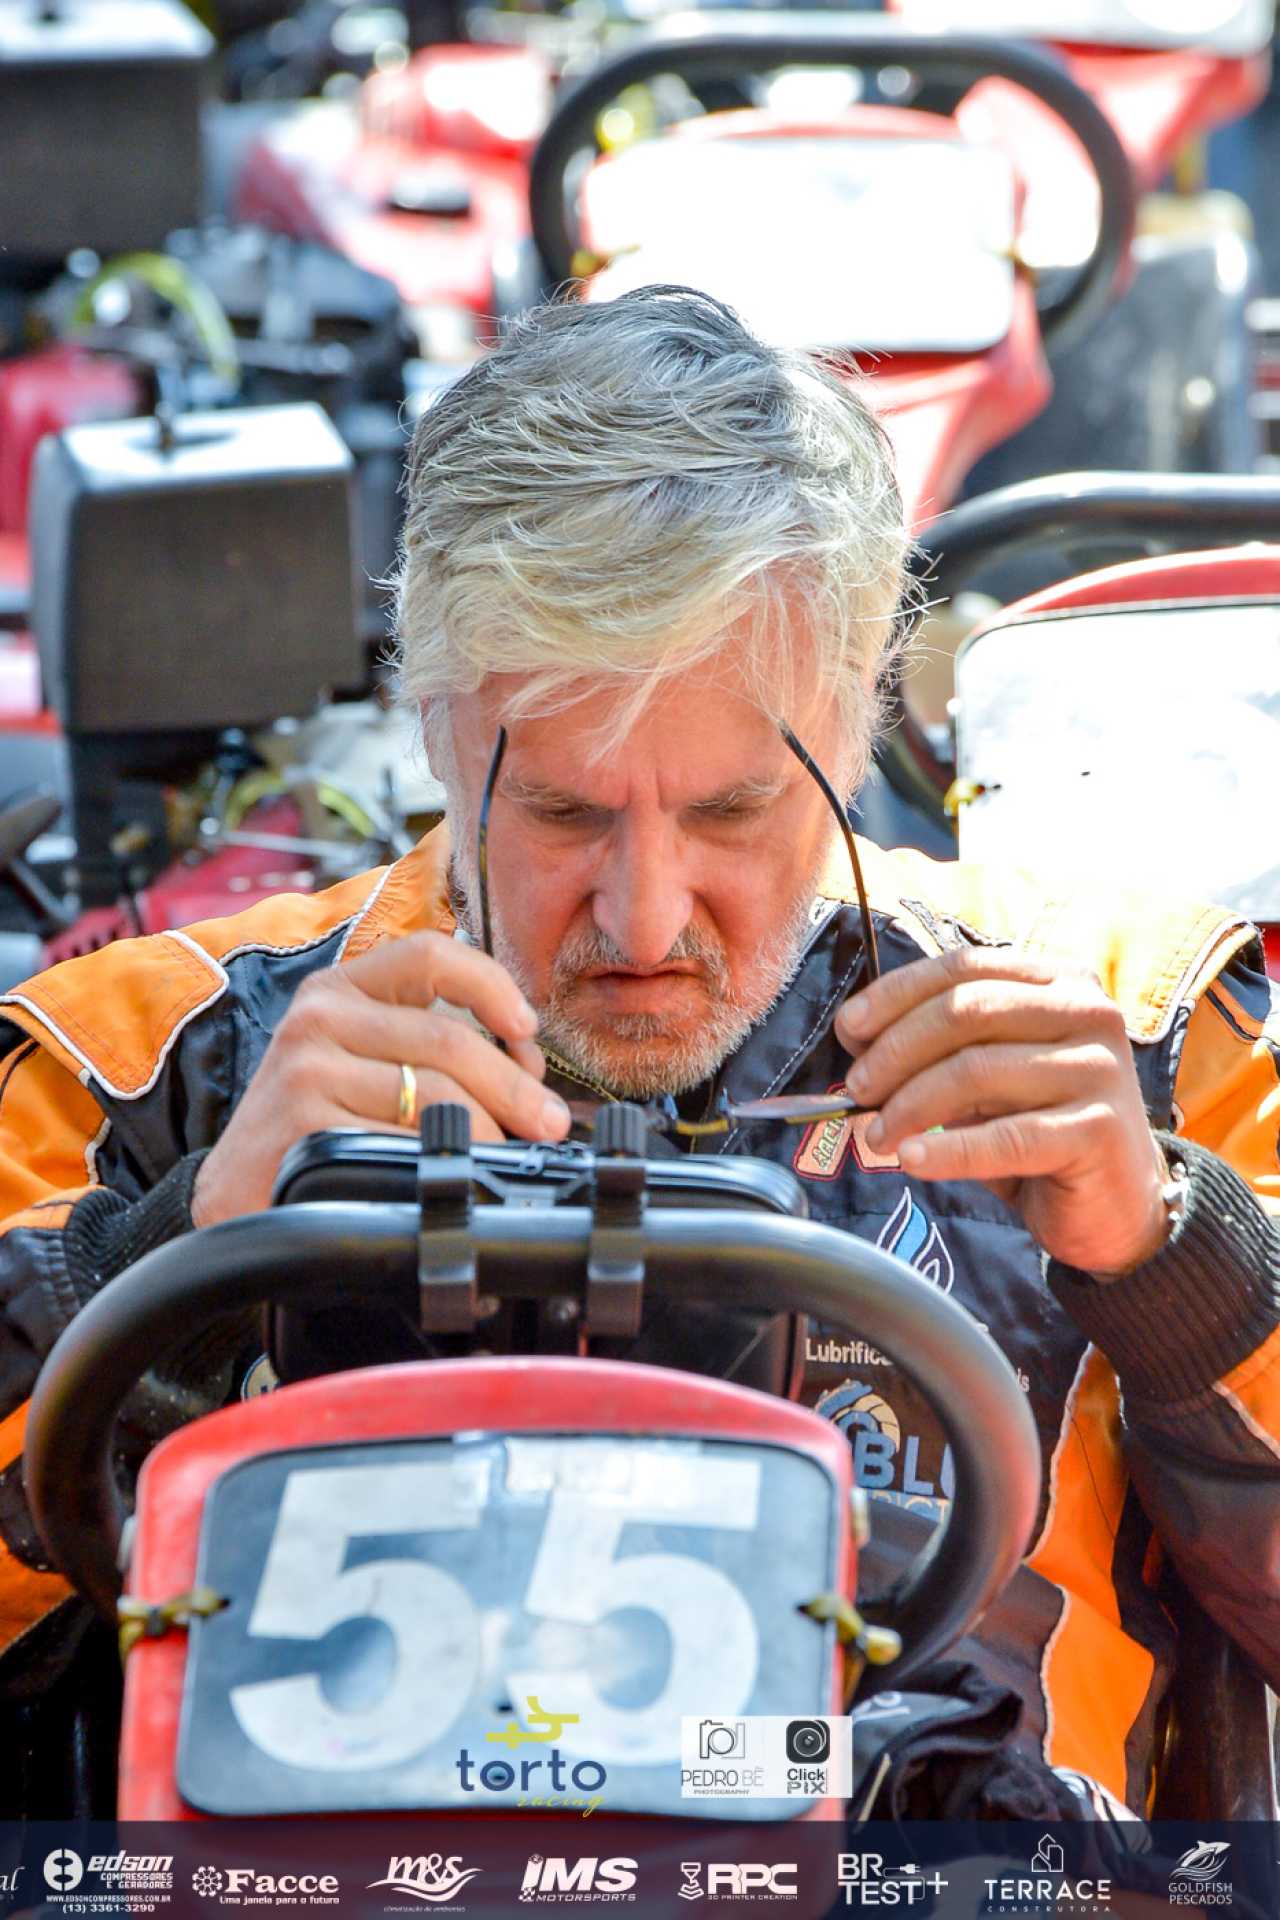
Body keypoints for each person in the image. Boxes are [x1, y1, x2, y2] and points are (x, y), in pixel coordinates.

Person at [0, 286, 1277, 1820]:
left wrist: (1179, 1258)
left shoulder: (1135, 1033)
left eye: (733, 809)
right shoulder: (135, 1064)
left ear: (856, 730)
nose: (647, 916)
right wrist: (159, 1256)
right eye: (564, 812)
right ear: (434, 726)